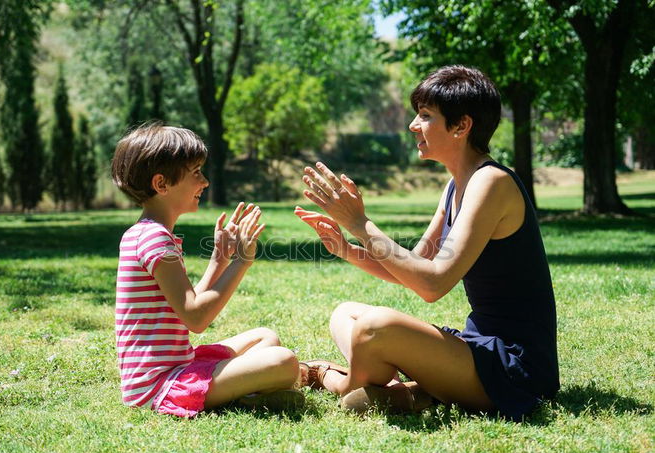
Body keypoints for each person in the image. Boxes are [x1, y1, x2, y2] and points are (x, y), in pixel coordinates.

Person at [296, 65, 559, 421]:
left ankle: (338, 380)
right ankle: (410, 393)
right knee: (346, 314)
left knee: (374, 327)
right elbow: (413, 266)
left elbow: (433, 283)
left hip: (514, 368)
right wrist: (345, 247)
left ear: (461, 126)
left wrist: (361, 224)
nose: (412, 125)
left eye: (425, 115)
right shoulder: (455, 186)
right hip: (474, 348)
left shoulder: (491, 182)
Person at [112, 124, 303, 418]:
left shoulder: (143, 233)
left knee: (265, 338)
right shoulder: (155, 239)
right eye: (196, 173)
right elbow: (196, 317)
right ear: (161, 184)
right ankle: (243, 396)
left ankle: (246, 391)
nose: (205, 182)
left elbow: (184, 307)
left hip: (173, 367)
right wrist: (242, 261)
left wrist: (219, 259)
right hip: (160, 385)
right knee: (283, 361)